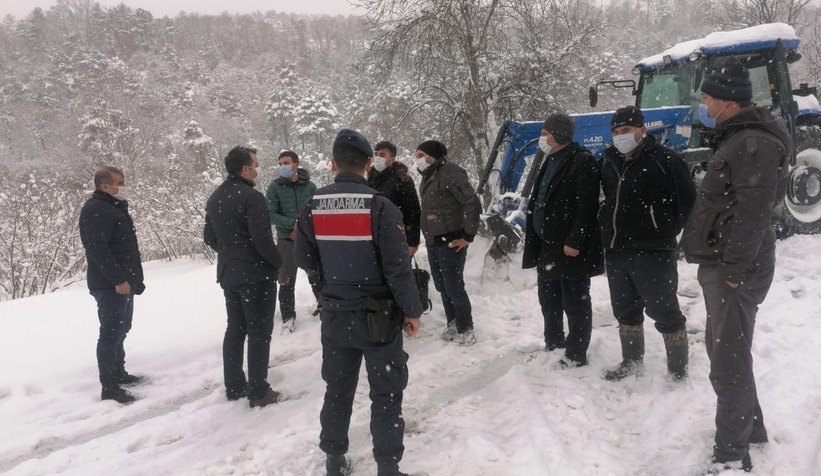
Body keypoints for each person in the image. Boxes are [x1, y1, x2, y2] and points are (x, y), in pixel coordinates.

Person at [682, 58, 792, 473]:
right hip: (729, 264)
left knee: (727, 362)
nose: (704, 104)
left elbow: (753, 215)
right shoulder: (738, 137)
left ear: (727, 101)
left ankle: (731, 455)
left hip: (736, 269)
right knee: (728, 351)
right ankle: (751, 430)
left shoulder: (752, 143)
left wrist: (731, 270)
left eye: (708, 97)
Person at [294, 129, 422, 476]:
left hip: (336, 317)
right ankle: (387, 468)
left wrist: (326, 291)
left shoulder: (311, 206)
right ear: (368, 165)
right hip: (378, 317)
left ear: (333, 163)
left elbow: (304, 259)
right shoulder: (380, 207)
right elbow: (398, 269)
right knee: (387, 394)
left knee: (337, 390)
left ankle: (334, 462)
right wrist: (412, 310)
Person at [598, 106, 696, 381]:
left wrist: (664, 231)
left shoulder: (665, 160)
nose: (620, 136)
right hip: (617, 249)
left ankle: (678, 369)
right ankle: (631, 361)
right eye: (616, 132)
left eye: (626, 131)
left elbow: (687, 202)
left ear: (642, 130)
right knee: (625, 309)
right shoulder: (608, 161)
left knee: (664, 309)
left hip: (653, 250)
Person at [204, 146, 283, 408]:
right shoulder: (252, 197)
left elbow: (210, 237)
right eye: (255, 165)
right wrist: (278, 262)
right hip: (256, 275)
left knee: (236, 330)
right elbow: (262, 240)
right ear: (245, 168)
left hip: (229, 274)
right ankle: (259, 391)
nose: (257, 169)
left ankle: (235, 385)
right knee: (260, 333)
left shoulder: (216, 197)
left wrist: (232, 253)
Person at [522, 113, 603, 367]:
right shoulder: (550, 159)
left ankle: (576, 353)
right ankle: (553, 342)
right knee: (549, 299)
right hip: (547, 245)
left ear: (557, 134)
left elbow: (586, 207)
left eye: (545, 133)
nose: (542, 137)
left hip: (569, 247)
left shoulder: (581, 161)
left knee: (575, 302)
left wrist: (575, 241)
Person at [79, 166, 146, 404]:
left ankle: (119, 374)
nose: (124, 186)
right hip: (111, 285)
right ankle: (109, 387)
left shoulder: (111, 206)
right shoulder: (96, 209)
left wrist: (133, 280)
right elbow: (98, 248)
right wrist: (118, 280)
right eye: (120, 182)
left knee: (121, 329)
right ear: (104, 186)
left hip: (123, 282)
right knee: (110, 333)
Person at [416, 140, 482, 345]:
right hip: (434, 241)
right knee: (442, 286)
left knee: (454, 287)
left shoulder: (452, 173)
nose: (417, 160)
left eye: (420, 155)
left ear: (432, 155)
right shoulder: (429, 175)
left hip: (451, 240)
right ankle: (453, 322)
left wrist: (468, 236)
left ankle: (466, 328)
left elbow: (472, 203)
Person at [266, 150, 320, 333]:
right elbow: (271, 214)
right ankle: (288, 317)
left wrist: (303, 227)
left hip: (309, 240)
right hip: (286, 240)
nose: (282, 166)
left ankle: (325, 307)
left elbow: (317, 211)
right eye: (280, 163)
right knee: (286, 280)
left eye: (286, 163)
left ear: (296, 164)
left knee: (316, 275)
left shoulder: (310, 186)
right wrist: (294, 224)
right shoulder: (274, 188)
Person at [368, 140, 421, 256]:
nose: (377, 158)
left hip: (397, 237)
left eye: (382, 155)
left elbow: (413, 211)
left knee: (396, 272)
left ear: (392, 159)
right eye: (376, 154)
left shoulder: (402, 180)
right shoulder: (370, 178)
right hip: (374, 238)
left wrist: (412, 243)